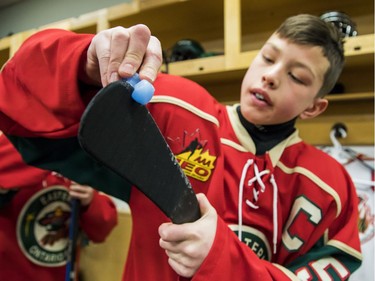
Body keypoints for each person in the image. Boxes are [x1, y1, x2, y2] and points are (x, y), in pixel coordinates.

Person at [0, 16, 362, 280]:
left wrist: (222, 258)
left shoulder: (332, 186)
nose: (271, 75)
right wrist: (83, 62)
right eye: (267, 57)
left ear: (315, 106)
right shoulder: (174, 108)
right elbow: (17, 103)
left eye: (297, 76)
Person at [0, 131, 118, 280]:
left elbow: (102, 229)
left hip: (57, 272)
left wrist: (90, 201)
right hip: (11, 269)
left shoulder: (80, 164)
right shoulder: (15, 144)